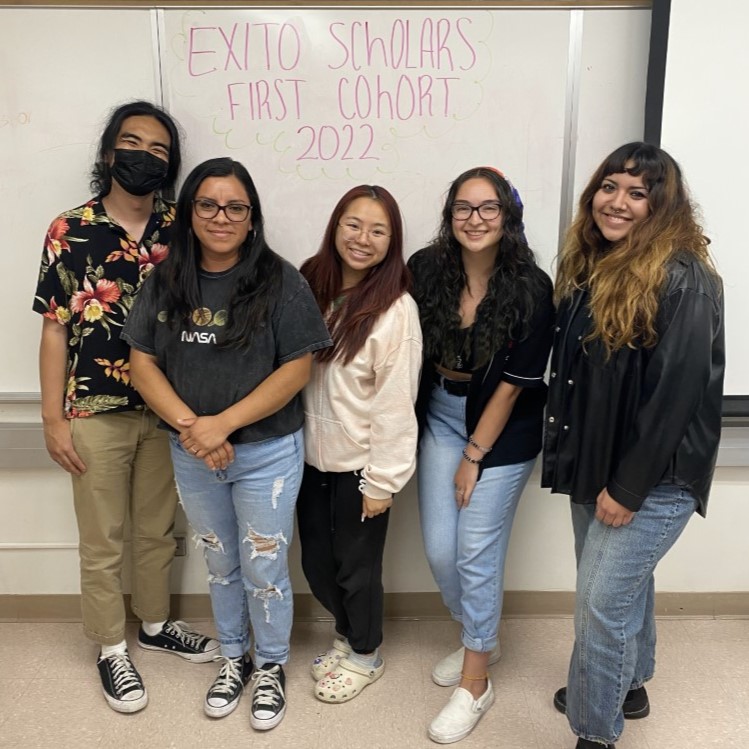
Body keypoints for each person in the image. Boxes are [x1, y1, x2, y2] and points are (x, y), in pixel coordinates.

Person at [122, 157, 332, 730]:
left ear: (251, 217)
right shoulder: (165, 279)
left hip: (265, 453)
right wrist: (197, 428)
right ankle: (233, 658)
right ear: (190, 212)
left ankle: (270, 667)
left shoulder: (281, 279)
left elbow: (297, 367)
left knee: (264, 566)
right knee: (220, 564)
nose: (221, 216)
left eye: (235, 207)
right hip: (193, 454)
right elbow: (143, 364)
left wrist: (224, 424)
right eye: (208, 205)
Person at [33, 101, 219, 715]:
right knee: (103, 537)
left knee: (158, 530)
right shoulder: (70, 229)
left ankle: (155, 625)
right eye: (133, 143)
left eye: (160, 150)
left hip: (170, 408)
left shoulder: (184, 227)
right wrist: (53, 418)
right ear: (110, 152)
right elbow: (56, 328)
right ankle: (112, 647)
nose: (145, 156)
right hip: (95, 407)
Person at [542, 142, 724, 749]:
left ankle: (595, 733)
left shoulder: (683, 276)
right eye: (609, 187)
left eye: (637, 193)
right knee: (622, 587)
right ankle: (630, 682)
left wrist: (627, 487)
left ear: (661, 205)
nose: (617, 202)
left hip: (652, 477)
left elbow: (675, 394)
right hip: (595, 463)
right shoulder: (595, 263)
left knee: (599, 603)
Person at [408, 167, 554, 743]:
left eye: (488, 208)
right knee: (442, 551)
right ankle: (479, 634)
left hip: (503, 427)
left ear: (508, 217)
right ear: (449, 217)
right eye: (463, 209)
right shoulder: (425, 270)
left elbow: (515, 383)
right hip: (440, 414)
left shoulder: (531, 286)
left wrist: (475, 454)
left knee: (474, 551)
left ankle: (475, 681)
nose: (475, 220)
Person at [296, 185, 422, 703]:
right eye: (353, 224)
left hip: (360, 468)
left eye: (378, 230)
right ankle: (346, 638)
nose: (362, 238)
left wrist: (383, 482)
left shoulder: (397, 310)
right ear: (335, 224)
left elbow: (396, 404)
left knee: (357, 571)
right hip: (305, 460)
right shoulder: (310, 284)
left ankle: (366, 654)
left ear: (391, 241)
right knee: (317, 564)